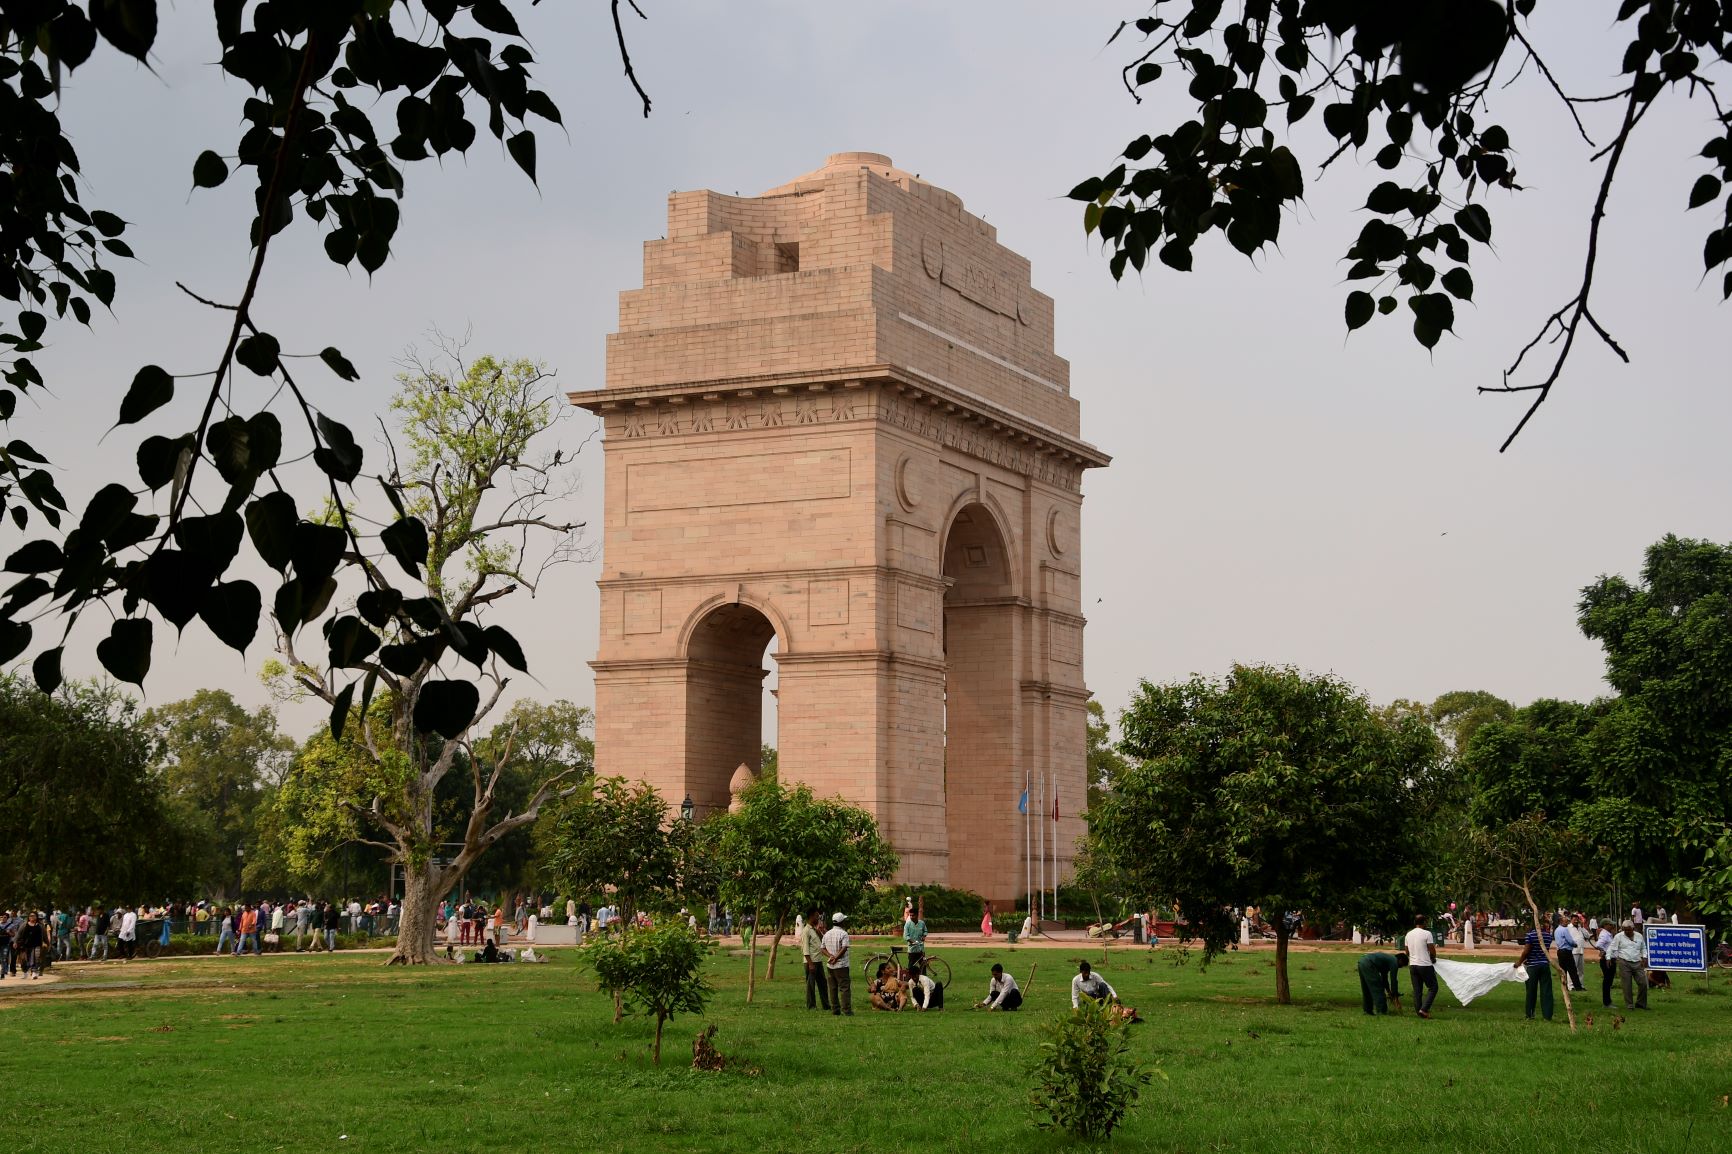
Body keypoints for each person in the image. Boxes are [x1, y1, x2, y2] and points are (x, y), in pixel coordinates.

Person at [1513, 922, 1553, 1021]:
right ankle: (1547, 1016)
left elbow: (1526, 951)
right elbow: (1543, 950)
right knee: (1546, 991)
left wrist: (1519, 962)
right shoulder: (1548, 936)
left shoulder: (1530, 935)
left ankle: (1530, 1014)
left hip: (1532, 967)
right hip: (1544, 965)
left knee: (1531, 991)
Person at [1608, 918, 1649, 1010]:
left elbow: (1643, 948)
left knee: (1643, 983)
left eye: (1628, 929)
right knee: (1627, 984)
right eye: (1624, 929)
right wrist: (1610, 957)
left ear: (1633, 929)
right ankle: (1629, 1005)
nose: (1626, 931)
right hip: (1624, 962)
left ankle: (1641, 1003)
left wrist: (1644, 957)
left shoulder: (1639, 936)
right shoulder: (1618, 936)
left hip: (1637, 962)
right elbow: (1612, 947)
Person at [1404, 915, 1439, 1019]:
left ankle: (1419, 1011)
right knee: (1433, 987)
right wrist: (1433, 958)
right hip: (1424, 965)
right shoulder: (1427, 934)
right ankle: (1424, 1010)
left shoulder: (1408, 934)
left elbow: (1407, 951)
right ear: (1424, 922)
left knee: (1417, 990)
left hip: (1413, 965)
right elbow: (1432, 949)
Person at [1357, 950, 1407, 1015]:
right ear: (1400, 960)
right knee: (1378, 988)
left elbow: (1384, 979)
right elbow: (1393, 980)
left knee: (1366, 989)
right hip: (1369, 964)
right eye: (1402, 965)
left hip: (1362, 962)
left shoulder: (1387, 961)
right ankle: (1382, 1011)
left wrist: (1389, 991)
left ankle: (1367, 1010)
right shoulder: (1394, 961)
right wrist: (1395, 994)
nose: (1400, 967)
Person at [821, 911, 852, 1016]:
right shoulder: (844, 934)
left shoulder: (827, 933)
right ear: (842, 922)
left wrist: (830, 956)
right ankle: (846, 1010)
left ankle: (835, 1009)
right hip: (842, 965)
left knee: (833, 988)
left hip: (830, 965)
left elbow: (822, 948)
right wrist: (836, 958)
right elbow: (844, 948)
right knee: (844, 988)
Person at [798, 908, 829, 1011]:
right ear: (811, 916)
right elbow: (805, 949)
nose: (818, 918)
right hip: (811, 962)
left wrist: (819, 931)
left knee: (823, 984)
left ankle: (826, 1005)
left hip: (818, 961)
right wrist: (810, 964)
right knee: (810, 985)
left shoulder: (814, 930)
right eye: (816, 916)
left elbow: (822, 940)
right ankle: (811, 1006)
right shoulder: (806, 931)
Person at [904, 899, 928, 978]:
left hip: (920, 948)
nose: (911, 917)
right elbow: (906, 935)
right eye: (910, 915)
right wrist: (912, 941)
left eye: (913, 915)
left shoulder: (922, 923)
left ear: (917, 915)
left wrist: (924, 936)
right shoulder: (907, 924)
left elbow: (925, 931)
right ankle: (909, 979)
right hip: (912, 949)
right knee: (911, 965)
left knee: (923, 965)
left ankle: (924, 978)